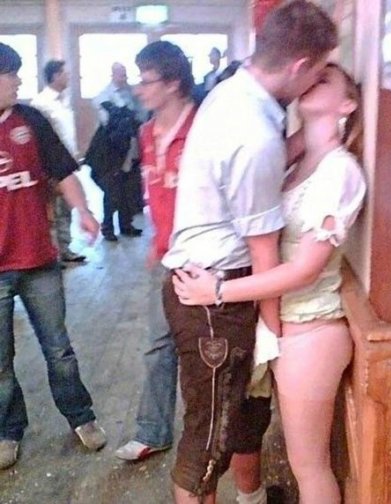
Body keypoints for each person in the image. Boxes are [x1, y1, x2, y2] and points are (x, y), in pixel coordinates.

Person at [160, 1, 337, 503]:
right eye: (320, 72)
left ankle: (251, 497)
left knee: (244, 419)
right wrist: (275, 336)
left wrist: (314, 139)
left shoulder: (239, 94)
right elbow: (265, 254)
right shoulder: (253, 132)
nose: (319, 81)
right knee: (208, 442)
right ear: (300, 66)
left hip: (222, 281)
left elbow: (260, 173)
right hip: (216, 294)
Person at [0, 42, 106, 471]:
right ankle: (7, 430)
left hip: (38, 260)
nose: (19, 81)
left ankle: (81, 416)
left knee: (59, 349)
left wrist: (84, 210)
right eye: (11, 73)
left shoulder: (31, 120)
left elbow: (63, 172)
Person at [112, 41, 196, 462]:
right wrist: (157, 241)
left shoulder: (204, 127)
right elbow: (156, 193)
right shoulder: (146, 132)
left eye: (147, 81)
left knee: (201, 352)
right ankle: (153, 430)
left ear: (173, 82)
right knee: (158, 344)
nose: (139, 88)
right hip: (165, 255)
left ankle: (206, 438)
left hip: (205, 258)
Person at [31, 59, 86, 263]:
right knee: (52, 211)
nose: (69, 77)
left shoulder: (63, 100)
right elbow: (41, 141)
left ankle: (65, 248)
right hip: (51, 167)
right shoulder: (41, 103)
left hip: (67, 163)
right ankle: (52, 252)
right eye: (65, 73)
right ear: (55, 76)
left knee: (65, 208)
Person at [86, 62, 143, 241]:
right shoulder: (104, 96)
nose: (124, 77)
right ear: (113, 74)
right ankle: (108, 227)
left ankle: (126, 224)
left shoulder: (132, 93)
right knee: (112, 191)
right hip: (112, 152)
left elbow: (140, 116)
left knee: (128, 188)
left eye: (125, 74)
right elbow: (108, 123)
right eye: (120, 74)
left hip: (131, 147)